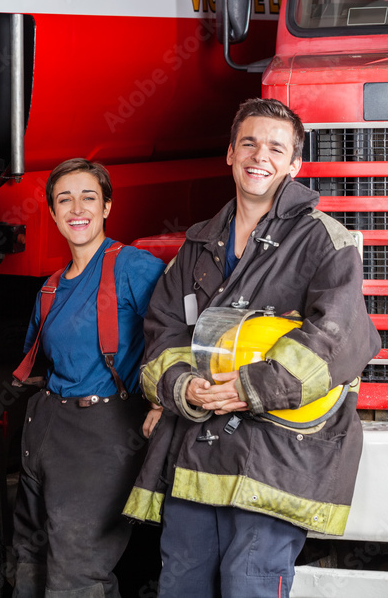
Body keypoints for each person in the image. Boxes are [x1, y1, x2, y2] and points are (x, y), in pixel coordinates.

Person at [123, 98, 380, 597]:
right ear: (229, 154)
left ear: (294, 164)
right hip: (198, 448)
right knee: (181, 584)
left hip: (277, 454)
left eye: (275, 148)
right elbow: (163, 330)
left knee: (250, 583)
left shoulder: (325, 241)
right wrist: (183, 387)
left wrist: (249, 388)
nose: (260, 156)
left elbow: (335, 339)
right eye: (249, 143)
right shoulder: (197, 245)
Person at [10, 159, 165, 598]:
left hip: (103, 434)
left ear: (107, 207)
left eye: (88, 197)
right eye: (64, 199)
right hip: (45, 430)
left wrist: (161, 401)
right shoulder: (49, 288)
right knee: (30, 562)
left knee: (77, 572)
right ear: (54, 214)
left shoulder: (132, 266)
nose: (77, 208)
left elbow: (174, 333)